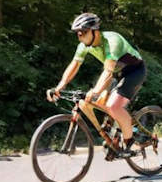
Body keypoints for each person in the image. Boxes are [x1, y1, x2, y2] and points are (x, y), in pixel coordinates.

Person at [46, 12, 146, 157]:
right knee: (99, 102)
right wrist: (60, 86)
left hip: (134, 72)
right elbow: (74, 65)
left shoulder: (112, 41)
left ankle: (128, 141)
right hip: (116, 73)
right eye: (77, 33)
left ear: (95, 31)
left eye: (83, 32)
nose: (80, 36)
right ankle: (115, 132)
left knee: (112, 105)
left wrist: (95, 91)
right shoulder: (84, 45)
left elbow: (107, 72)